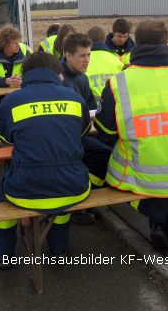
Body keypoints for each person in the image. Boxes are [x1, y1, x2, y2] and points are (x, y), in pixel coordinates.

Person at [95, 19, 168, 251]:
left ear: (135, 42)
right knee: (165, 176)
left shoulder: (119, 82)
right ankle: (161, 225)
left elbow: (106, 130)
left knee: (116, 178)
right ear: (166, 41)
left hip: (138, 172)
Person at [0, 52, 91, 268]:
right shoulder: (74, 98)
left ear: (25, 74)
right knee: (61, 201)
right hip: (73, 186)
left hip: (25, 189)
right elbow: (82, 133)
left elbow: (4, 138)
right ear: (58, 73)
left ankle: (4, 256)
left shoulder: (11, 101)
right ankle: (59, 250)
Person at [61, 33, 114, 224]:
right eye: (82, 56)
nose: (87, 60)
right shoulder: (58, 78)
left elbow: (92, 108)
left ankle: (87, 197)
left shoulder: (81, 78)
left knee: (109, 153)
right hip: (64, 139)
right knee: (101, 154)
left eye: (89, 55)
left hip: (80, 133)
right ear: (68, 55)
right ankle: (76, 204)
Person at [0, 24, 32, 124]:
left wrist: (22, 80)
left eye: (18, 42)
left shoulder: (25, 54)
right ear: (5, 45)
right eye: (15, 43)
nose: (18, 45)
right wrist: (5, 81)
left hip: (20, 98)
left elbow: (34, 74)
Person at [85, 26, 124, 104]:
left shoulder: (83, 61)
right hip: (113, 107)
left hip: (91, 109)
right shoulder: (116, 60)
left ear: (87, 40)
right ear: (105, 40)